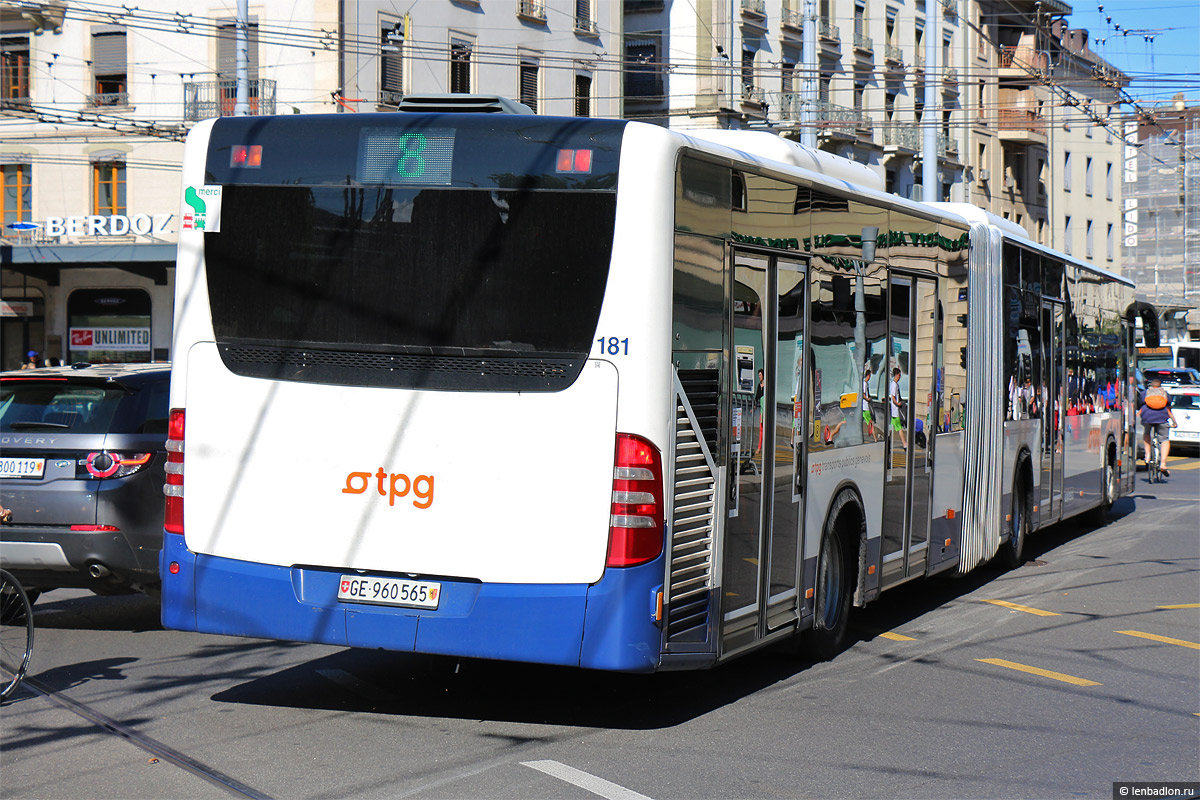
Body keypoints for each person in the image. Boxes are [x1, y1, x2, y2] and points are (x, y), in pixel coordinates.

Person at [1139, 379, 1176, 477]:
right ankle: (1163, 463)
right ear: (1160, 386)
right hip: (1162, 418)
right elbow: (1168, 411)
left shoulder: (1144, 393)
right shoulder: (1165, 394)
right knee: (1164, 439)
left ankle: (1147, 456)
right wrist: (1174, 422)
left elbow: (1141, 405)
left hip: (1147, 417)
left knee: (1147, 433)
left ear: (1151, 385)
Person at [889, 367, 906, 449]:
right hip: (895, 410)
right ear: (896, 375)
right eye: (899, 375)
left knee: (892, 427)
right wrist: (898, 403)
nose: (900, 377)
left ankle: (887, 441)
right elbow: (893, 397)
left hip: (895, 411)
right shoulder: (894, 385)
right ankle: (904, 444)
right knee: (899, 428)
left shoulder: (896, 384)